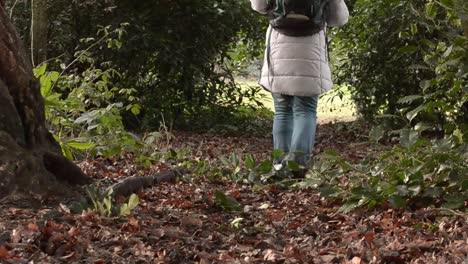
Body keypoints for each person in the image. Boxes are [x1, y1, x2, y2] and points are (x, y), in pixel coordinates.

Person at [250, 0, 349, 175]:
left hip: (279, 47)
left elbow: (259, 6)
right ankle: (298, 166)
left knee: (282, 110)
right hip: (311, 48)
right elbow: (339, 19)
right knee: (306, 109)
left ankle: (280, 165)